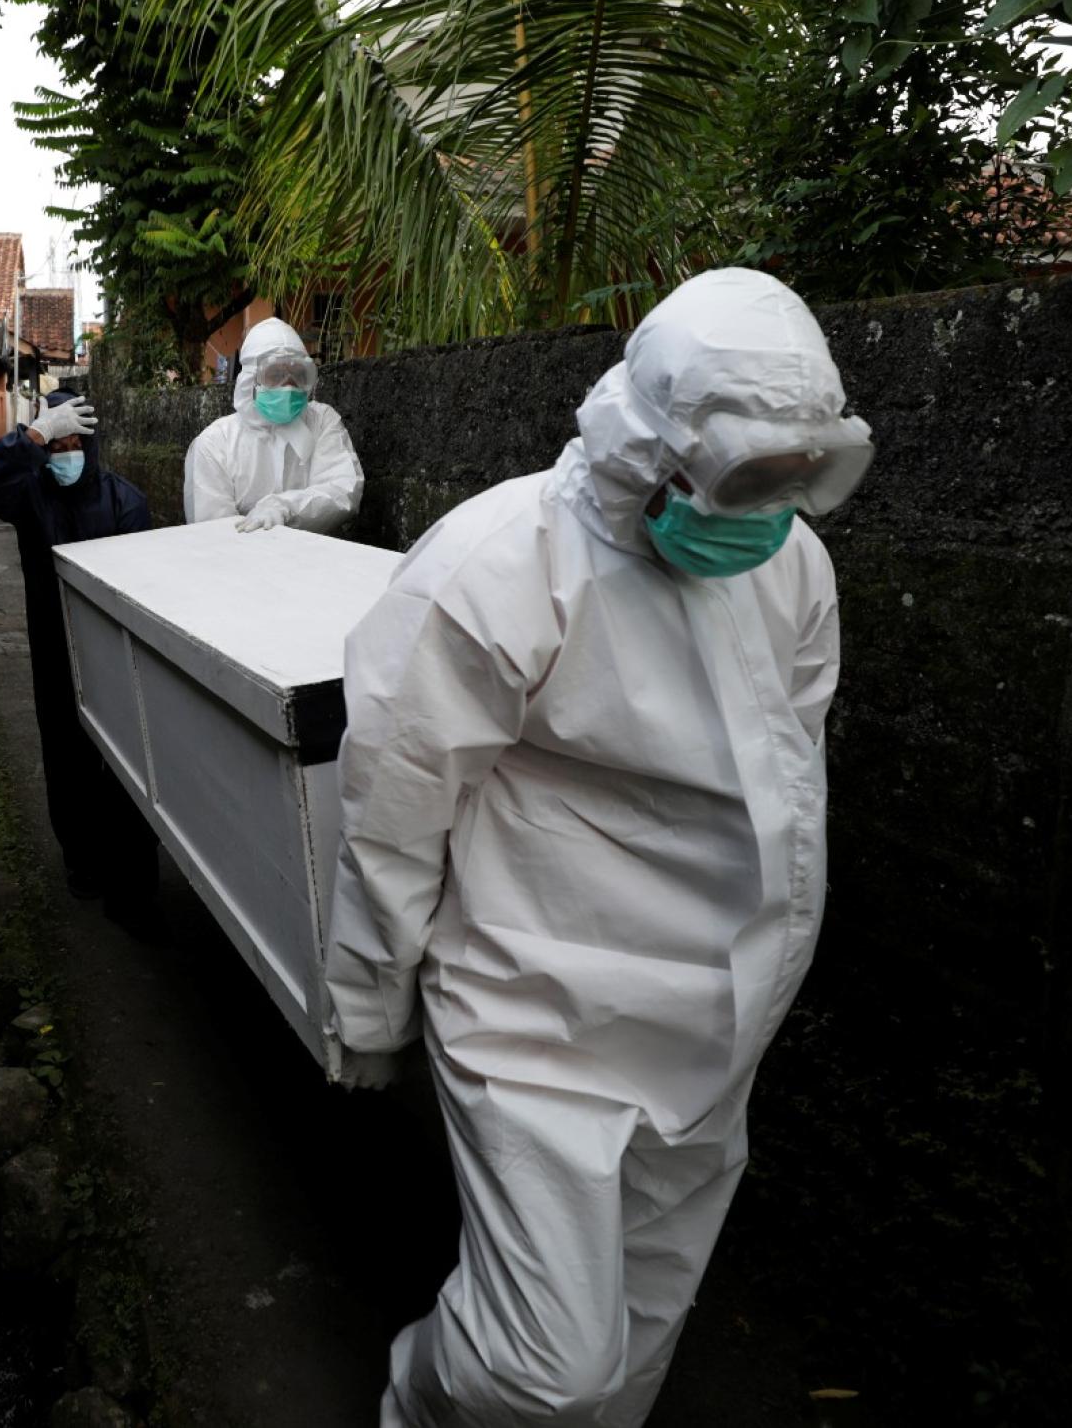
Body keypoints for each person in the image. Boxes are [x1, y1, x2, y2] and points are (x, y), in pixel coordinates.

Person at [324, 267, 874, 1427]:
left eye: (796, 474)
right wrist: (368, 1006)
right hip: (535, 1013)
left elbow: (790, 776)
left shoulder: (793, 564)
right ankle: (418, 1403)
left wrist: (768, 979)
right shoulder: (495, 564)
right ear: (650, 445)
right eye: (744, 473)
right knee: (544, 1366)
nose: (764, 508)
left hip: (714, 1016)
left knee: (639, 1326)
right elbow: (394, 806)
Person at [0, 390, 162, 928]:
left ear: (92, 445)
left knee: (123, 763)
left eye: (77, 442)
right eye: (58, 444)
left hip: (114, 653)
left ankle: (130, 876)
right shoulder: (31, 495)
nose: (67, 452)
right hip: (54, 645)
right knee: (66, 756)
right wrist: (31, 435)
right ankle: (81, 861)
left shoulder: (126, 501)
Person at [183, 317, 364, 533]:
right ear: (251, 380)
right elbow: (213, 531)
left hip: (312, 559)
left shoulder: (322, 421)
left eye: (298, 375)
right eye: (276, 375)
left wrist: (286, 507)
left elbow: (343, 490)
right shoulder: (215, 444)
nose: (288, 386)